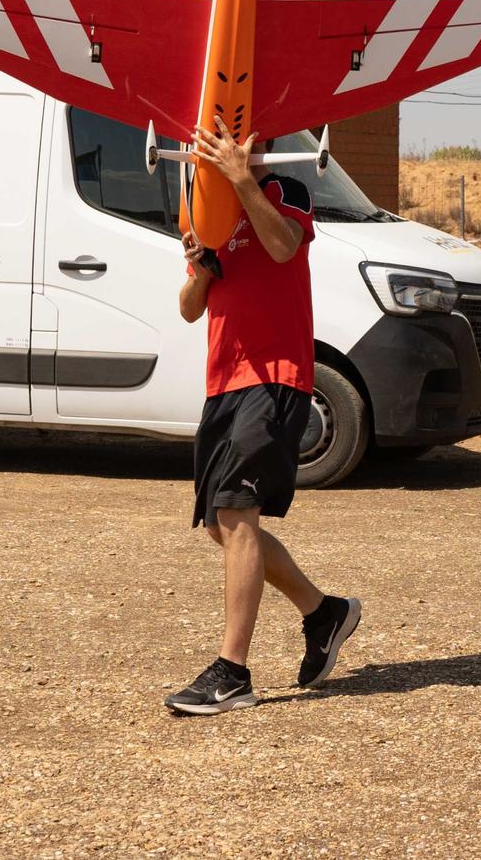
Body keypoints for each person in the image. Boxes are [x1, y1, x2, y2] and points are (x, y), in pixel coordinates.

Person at [164, 117, 360, 715]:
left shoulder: (284, 192)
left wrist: (241, 178)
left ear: (262, 143)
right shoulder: (209, 209)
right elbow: (189, 310)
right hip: (224, 380)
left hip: (275, 374)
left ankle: (232, 673)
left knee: (236, 512)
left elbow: (281, 246)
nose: (230, 146)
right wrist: (201, 265)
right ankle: (324, 613)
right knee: (221, 527)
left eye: (241, 138)